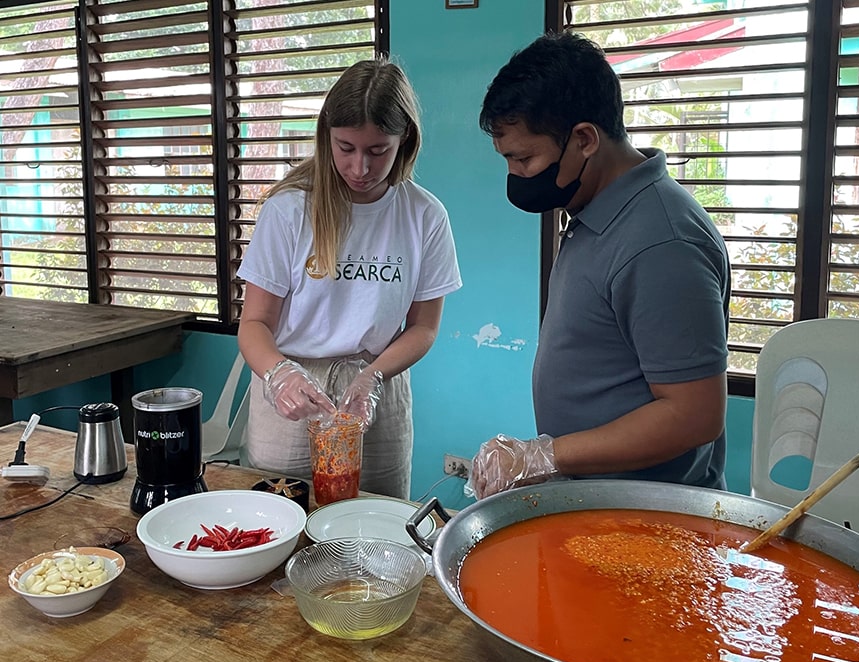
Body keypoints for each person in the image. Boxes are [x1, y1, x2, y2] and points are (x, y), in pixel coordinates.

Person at [469, 32, 730, 499]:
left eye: (524, 158)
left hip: (648, 518)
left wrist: (542, 455)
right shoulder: (595, 209)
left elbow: (694, 415)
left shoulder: (662, 241)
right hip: (596, 499)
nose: (516, 176)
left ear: (584, 139)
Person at [237, 57, 462, 499]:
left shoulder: (424, 215)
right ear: (326, 138)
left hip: (376, 387)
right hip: (292, 390)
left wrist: (372, 379)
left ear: (405, 142)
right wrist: (279, 375)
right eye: (346, 148)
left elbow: (423, 327)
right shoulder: (289, 210)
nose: (360, 167)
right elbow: (254, 324)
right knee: (284, 522)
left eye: (378, 151)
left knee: (373, 526)